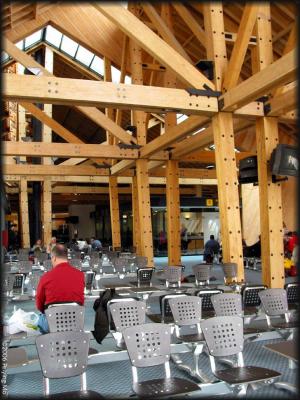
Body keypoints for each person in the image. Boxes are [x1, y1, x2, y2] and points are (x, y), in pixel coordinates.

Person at [36, 244, 85, 333]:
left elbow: (39, 304)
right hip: (74, 321)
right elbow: (81, 302)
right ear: (66, 257)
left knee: (40, 318)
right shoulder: (80, 275)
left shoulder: (45, 277)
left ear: (54, 258)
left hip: (52, 322)